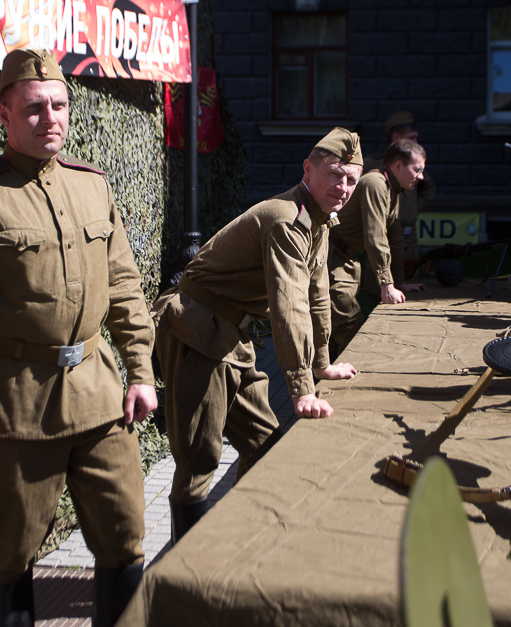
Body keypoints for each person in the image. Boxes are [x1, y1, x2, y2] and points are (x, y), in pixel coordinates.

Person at [0, 49, 158, 627]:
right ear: (4, 114)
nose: (50, 118)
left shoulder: (92, 186)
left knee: (125, 540)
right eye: (33, 109)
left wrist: (142, 372)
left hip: (101, 401)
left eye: (59, 106)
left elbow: (124, 287)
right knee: (9, 557)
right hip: (17, 412)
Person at [153, 128, 362, 542]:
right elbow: (289, 305)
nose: (343, 187)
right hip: (198, 330)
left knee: (264, 447)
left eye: (351, 179)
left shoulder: (318, 220)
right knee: (199, 460)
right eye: (335, 175)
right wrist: (302, 387)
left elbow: (316, 295)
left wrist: (321, 363)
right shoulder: (287, 220)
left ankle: (237, 541)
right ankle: (182, 576)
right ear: (308, 169)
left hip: (231, 336)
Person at [328, 138, 428, 355]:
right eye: (417, 170)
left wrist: (398, 282)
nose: (421, 177)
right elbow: (376, 236)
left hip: (348, 257)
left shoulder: (393, 189)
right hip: (330, 255)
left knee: (336, 323)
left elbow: (395, 238)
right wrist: (386, 284)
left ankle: (328, 373)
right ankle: (347, 379)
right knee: (347, 320)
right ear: (398, 165)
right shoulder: (376, 184)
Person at [365, 111, 437, 268]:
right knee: (382, 284)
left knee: (413, 284)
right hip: (384, 235)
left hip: (409, 235)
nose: (416, 142)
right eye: (411, 137)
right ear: (396, 137)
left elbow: (428, 186)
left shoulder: (414, 165)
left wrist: (412, 209)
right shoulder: (374, 164)